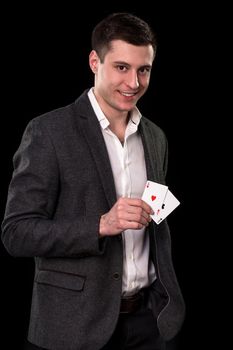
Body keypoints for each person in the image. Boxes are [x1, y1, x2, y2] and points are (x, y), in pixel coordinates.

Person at [1, 12, 185, 350]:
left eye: (143, 70)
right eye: (121, 67)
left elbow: (156, 221)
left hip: (150, 323)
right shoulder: (48, 132)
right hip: (74, 327)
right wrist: (101, 224)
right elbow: (17, 234)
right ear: (94, 62)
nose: (133, 83)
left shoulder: (156, 136)